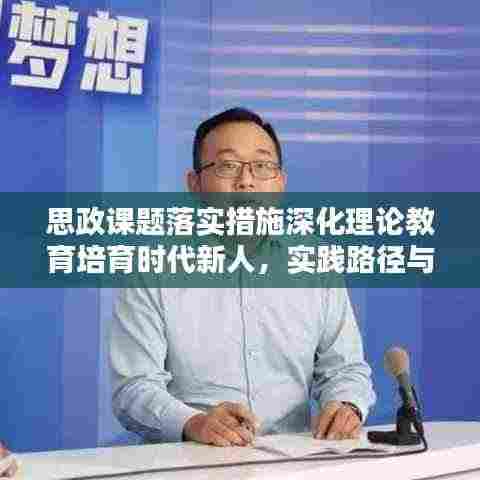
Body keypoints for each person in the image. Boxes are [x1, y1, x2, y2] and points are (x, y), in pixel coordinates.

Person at [110, 107, 376, 447]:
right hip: (192, 460)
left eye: (262, 166)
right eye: (227, 166)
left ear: (280, 183)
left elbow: (344, 368)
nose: (246, 181)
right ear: (195, 184)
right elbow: (133, 387)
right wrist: (194, 423)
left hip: (294, 462)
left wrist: (347, 405)